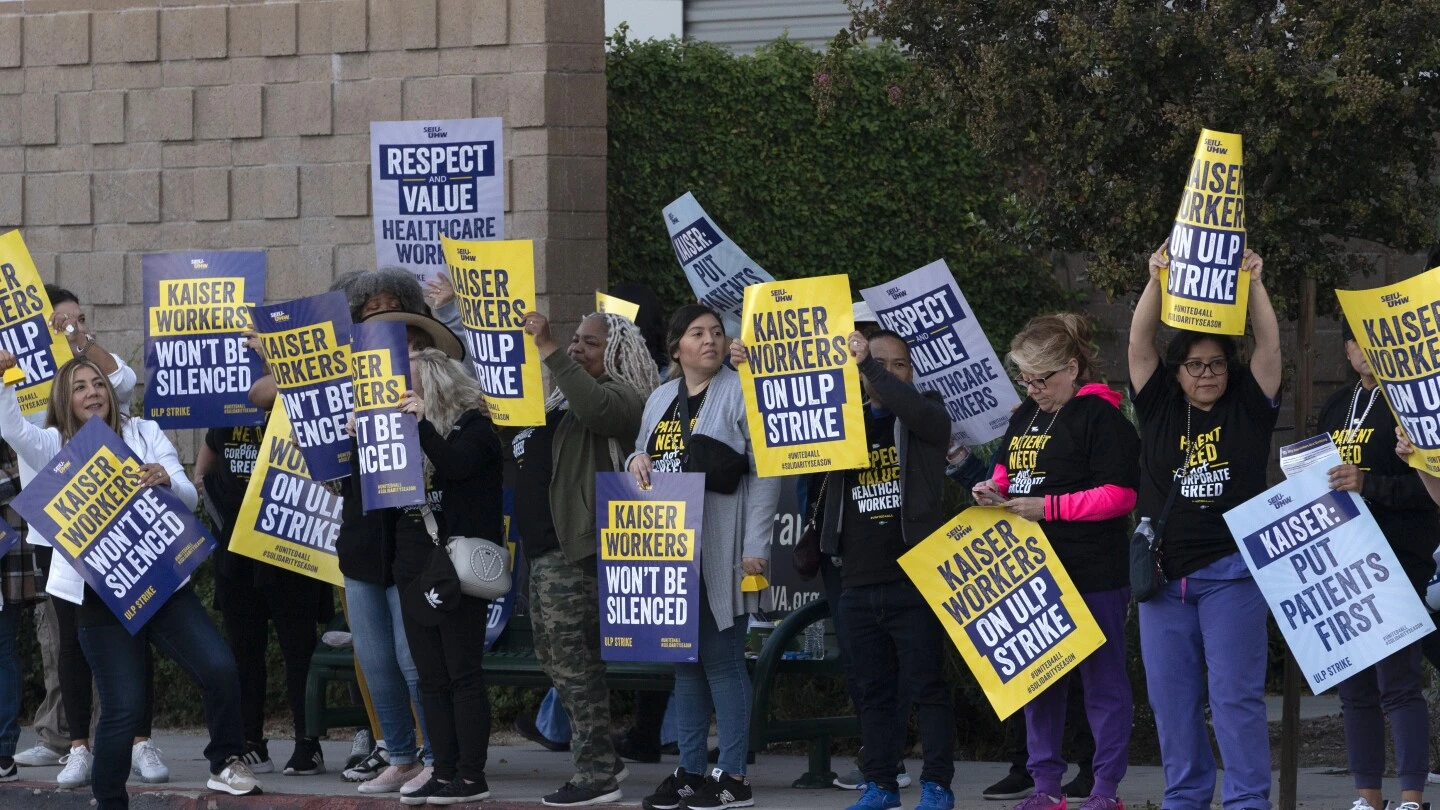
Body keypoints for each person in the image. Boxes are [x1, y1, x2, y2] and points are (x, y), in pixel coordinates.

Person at [0, 354, 261, 808]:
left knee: (219, 667)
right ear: (66, 399)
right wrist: (3, 380)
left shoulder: (145, 433)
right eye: (79, 387)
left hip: (161, 582)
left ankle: (225, 763)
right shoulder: (51, 445)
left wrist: (164, 479)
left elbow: (185, 495)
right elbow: (12, 430)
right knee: (122, 708)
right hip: (96, 593)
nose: (92, 392)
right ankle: (109, 799)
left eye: (97, 383)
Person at [247, 270, 434, 790]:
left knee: (411, 657)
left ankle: (436, 754)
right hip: (360, 533)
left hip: (414, 535)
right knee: (375, 659)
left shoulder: (433, 370)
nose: (379, 319)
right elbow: (326, 465)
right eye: (369, 311)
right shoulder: (341, 377)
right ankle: (400, 755)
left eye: (391, 310)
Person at [1128, 242, 1281, 810]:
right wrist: (1156, 280)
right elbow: (1138, 343)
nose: (1207, 373)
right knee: (1171, 701)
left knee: (1235, 698)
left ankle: (1246, 802)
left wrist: (1255, 284)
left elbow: (1268, 345)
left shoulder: (1249, 405)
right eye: (1195, 365)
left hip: (1232, 576)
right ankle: (1185, 799)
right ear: (1178, 372)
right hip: (1164, 583)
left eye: (1217, 363)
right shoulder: (1160, 406)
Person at [973, 314, 1139, 810]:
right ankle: (1044, 786)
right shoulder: (1025, 414)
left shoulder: (1101, 417)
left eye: (1042, 378)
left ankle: (1104, 788)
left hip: (1093, 570)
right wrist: (992, 490)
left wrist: (1048, 508)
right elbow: (1005, 472)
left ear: (1072, 367)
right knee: (1037, 683)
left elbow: (1121, 495)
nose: (1033, 388)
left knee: (1103, 683)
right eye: (1024, 378)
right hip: (1032, 571)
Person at [789, 329, 955, 810]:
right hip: (858, 580)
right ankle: (880, 783)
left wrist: (869, 365)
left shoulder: (927, 417)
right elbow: (784, 419)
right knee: (872, 692)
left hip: (916, 578)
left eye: (897, 364)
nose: (884, 370)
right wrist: (748, 369)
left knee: (928, 688)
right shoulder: (841, 423)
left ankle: (938, 785)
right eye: (873, 361)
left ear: (909, 372)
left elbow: (915, 407)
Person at [630, 305, 780, 810]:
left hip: (721, 546)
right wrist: (637, 460)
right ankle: (691, 772)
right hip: (668, 552)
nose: (711, 341)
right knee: (684, 665)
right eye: (698, 333)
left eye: (717, 332)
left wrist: (756, 548)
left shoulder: (741, 391)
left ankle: (734, 775)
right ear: (676, 348)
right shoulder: (657, 399)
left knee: (721, 663)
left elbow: (766, 471)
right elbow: (637, 455)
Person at [13, 285, 159, 789]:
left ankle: (140, 740)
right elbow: (18, 433)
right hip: (55, 531)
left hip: (117, 530)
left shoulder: (96, 373)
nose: (65, 328)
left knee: (134, 632)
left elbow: (123, 382)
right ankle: (76, 744)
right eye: (57, 322)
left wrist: (80, 341)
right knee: (69, 645)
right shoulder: (41, 411)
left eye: (74, 320)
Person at [513, 310, 659, 806]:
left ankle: (596, 773)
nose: (576, 348)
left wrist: (550, 346)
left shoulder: (626, 397)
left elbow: (598, 410)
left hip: (576, 552)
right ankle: (601, 759)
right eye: (573, 340)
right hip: (540, 552)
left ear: (615, 352)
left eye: (589, 343)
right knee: (557, 664)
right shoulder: (561, 399)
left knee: (577, 667)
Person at [1322, 322, 1431, 810]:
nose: (1364, 349)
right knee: (1355, 686)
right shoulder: (1335, 406)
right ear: (1346, 350)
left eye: (1374, 340)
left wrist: (1370, 484)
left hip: (1397, 559)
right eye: (1355, 340)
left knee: (1400, 681)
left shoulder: (1414, 406)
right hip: (1342, 564)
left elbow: (1427, 493)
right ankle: (1367, 797)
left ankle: (1411, 796)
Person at [390, 346, 504, 806]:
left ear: (433, 385)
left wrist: (418, 427)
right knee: (429, 676)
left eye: (409, 383)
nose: (400, 393)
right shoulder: (405, 430)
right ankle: (444, 769)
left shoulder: (475, 430)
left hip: (459, 566)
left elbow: (456, 467)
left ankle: (473, 776)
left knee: (462, 672)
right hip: (414, 564)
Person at [194, 424, 331, 776]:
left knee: (298, 649)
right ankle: (251, 742)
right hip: (238, 547)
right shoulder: (230, 403)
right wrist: (212, 502)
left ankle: (308, 743)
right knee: (243, 651)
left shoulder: (294, 401)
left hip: (289, 537)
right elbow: (205, 462)